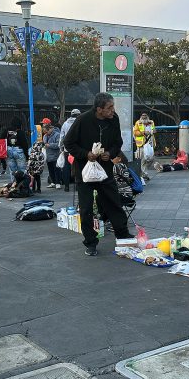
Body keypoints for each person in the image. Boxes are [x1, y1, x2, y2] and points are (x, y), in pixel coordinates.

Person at [63, 92, 133, 256]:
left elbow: (118, 142)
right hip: (85, 171)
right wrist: (86, 154)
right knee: (86, 208)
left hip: (105, 170)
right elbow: (68, 143)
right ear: (99, 109)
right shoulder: (83, 120)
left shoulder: (113, 119)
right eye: (109, 107)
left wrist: (111, 153)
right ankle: (90, 242)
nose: (112, 110)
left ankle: (122, 234)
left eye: (113, 106)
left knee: (113, 202)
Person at [60, 109, 80, 192]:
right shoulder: (80, 123)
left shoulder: (65, 124)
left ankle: (67, 187)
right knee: (78, 167)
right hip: (78, 149)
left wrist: (61, 147)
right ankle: (77, 187)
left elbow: (62, 137)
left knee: (66, 168)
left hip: (67, 150)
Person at [133, 113, 156, 181]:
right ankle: (144, 174)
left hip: (150, 143)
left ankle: (144, 172)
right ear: (141, 117)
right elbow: (135, 132)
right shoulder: (138, 123)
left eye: (145, 116)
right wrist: (143, 133)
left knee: (151, 158)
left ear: (147, 117)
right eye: (142, 116)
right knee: (143, 159)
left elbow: (154, 129)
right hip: (141, 144)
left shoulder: (151, 122)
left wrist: (154, 131)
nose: (144, 118)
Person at [43, 122, 62, 188]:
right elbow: (44, 143)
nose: (45, 133)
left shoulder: (57, 135)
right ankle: (53, 182)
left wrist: (49, 145)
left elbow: (58, 145)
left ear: (50, 129)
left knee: (56, 169)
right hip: (48, 155)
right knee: (50, 170)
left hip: (55, 155)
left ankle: (58, 183)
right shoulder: (45, 136)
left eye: (46, 131)